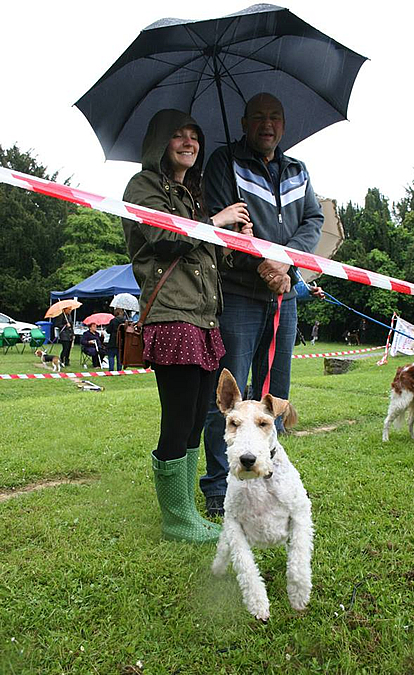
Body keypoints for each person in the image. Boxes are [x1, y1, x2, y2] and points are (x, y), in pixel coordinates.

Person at [121, 109, 252, 543]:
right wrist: (214, 223)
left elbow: (207, 257)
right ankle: (176, 519)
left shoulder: (192, 196)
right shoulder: (142, 187)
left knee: (198, 415)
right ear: (160, 142)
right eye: (177, 135)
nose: (188, 142)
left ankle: (187, 511)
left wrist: (235, 237)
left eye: (194, 135)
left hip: (204, 316)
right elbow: (165, 238)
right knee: (177, 417)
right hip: (173, 315)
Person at [201, 92, 324, 517]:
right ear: (244, 122)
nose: (267, 124)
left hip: (284, 294)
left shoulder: (298, 170)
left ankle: (271, 472)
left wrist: (284, 261)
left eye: (274, 117)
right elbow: (221, 224)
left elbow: (313, 220)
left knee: (276, 394)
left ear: (284, 125)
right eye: (258, 117)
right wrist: (263, 262)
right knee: (230, 398)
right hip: (237, 294)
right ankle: (219, 485)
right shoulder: (222, 163)